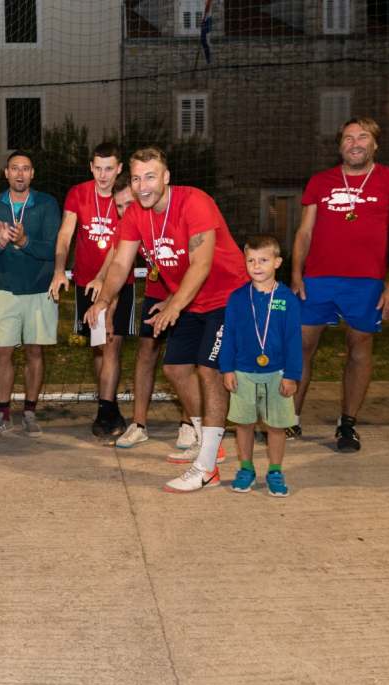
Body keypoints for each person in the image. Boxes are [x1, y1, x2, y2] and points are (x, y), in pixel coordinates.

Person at [85, 147, 246, 493]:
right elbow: (119, 263)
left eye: (151, 177)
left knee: (209, 370)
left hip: (227, 296)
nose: (143, 186)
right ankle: (210, 442)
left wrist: (173, 306)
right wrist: (103, 299)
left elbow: (201, 265)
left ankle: (206, 467)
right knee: (175, 370)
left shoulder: (194, 203)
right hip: (187, 299)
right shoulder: (135, 215)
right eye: (138, 178)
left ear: (166, 177)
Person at [290, 116, 389, 451]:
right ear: (339, 145)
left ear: (375, 143)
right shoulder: (320, 181)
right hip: (317, 280)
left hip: (366, 283)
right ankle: (290, 421)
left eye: (362, 137)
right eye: (348, 138)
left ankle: (347, 424)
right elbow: (304, 232)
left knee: (358, 349)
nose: (355, 144)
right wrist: (296, 274)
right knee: (300, 348)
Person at [48, 143, 135, 444]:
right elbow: (65, 233)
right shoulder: (78, 193)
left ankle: (102, 414)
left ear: (120, 168)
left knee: (111, 344)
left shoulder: (126, 197)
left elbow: (120, 245)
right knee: (98, 348)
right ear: (90, 166)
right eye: (98, 167)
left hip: (118, 282)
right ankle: (110, 407)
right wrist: (60, 269)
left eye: (109, 168)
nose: (103, 174)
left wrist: (102, 278)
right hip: (86, 282)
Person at [0, 150, 61, 440]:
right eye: (15, 168)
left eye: (25, 168)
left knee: (35, 351)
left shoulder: (47, 204)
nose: (20, 173)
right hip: (5, 290)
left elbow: (53, 249)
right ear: (6, 172)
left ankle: (30, 413)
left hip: (40, 290)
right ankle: (1, 416)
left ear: (32, 174)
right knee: (2, 353)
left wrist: (24, 241)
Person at [110, 174, 198, 453]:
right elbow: (116, 260)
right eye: (118, 207)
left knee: (185, 358)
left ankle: (189, 424)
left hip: (186, 292)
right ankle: (139, 425)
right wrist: (104, 297)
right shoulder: (131, 225)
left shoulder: (167, 215)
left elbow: (194, 263)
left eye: (128, 204)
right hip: (156, 290)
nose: (124, 211)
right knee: (145, 352)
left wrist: (177, 299)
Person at [218, 234, 303, 497]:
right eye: (251, 260)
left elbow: (293, 340)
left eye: (264, 260)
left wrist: (292, 375)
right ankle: (246, 468)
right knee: (243, 424)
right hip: (243, 372)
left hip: (277, 373)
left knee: (276, 426)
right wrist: (227, 368)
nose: (257, 266)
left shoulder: (287, 298)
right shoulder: (237, 298)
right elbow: (228, 335)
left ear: (277, 262)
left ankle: (275, 470)